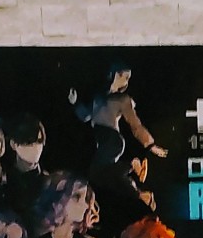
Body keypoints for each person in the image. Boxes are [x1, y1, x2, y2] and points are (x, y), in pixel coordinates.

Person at [69, 60, 167, 210]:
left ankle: (131, 166)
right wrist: (75, 103)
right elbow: (86, 116)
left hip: (112, 139)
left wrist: (150, 144)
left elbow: (135, 124)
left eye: (127, 78)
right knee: (108, 176)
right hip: (103, 139)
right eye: (123, 76)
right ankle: (141, 193)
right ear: (114, 75)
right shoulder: (98, 97)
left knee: (96, 173)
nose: (125, 80)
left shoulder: (122, 99)